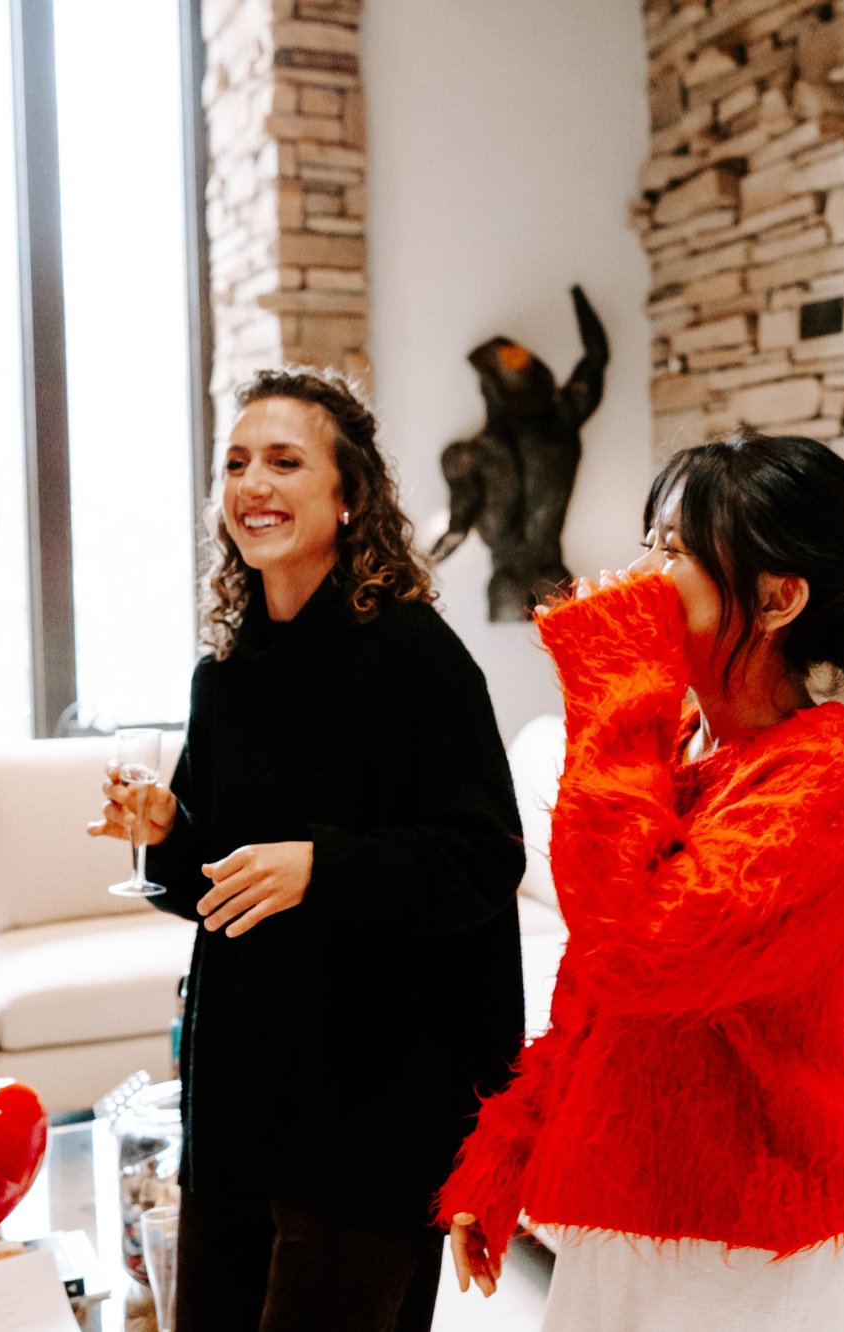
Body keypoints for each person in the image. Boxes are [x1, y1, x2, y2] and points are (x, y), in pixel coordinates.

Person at [438, 431, 844, 1332]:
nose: (639, 574)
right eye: (649, 542)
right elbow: (593, 995)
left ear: (779, 599)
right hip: (618, 1208)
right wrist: (512, 1148)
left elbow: (642, 949)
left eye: (675, 552)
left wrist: (614, 689)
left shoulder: (837, 777)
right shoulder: (676, 745)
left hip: (749, 1245)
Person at [90, 366, 526, 1332]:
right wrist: (168, 833)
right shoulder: (228, 673)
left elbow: (483, 859)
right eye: (236, 463)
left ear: (351, 494)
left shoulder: (416, 657)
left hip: (372, 1116)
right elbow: (219, 885)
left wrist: (320, 864)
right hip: (241, 1104)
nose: (253, 484)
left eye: (285, 461)